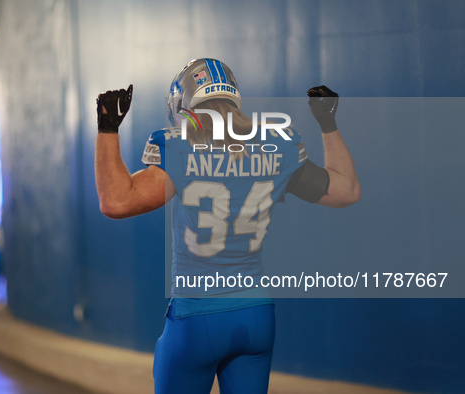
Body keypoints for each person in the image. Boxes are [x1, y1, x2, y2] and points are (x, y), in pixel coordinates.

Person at [94, 58, 360, 393]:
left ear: (183, 106)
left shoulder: (181, 149)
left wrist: (107, 129)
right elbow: (346, 190)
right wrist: (328, 124)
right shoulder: (276, 147)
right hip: (256, 315)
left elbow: (115, 201)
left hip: (197, 315)